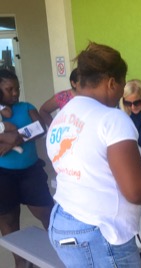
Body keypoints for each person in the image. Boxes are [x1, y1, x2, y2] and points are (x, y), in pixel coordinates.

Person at [46, 42, 141, 267]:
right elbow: (137, 193)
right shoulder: (112, 119)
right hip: (101, 233)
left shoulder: (62, 116)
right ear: (111, 83)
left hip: (63, 221)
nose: (121, 93)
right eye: (122, 85)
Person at [0, 69, 54, 268]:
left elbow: (40, 128)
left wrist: (14, 139)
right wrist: (15, 136)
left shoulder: (27, 107)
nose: (15, 93)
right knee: (8, 219)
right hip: (3, 175)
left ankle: (58, 252)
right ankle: (21, 263)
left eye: (17, 88)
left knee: (47, 212)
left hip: (30, 171)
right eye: (9, 89)